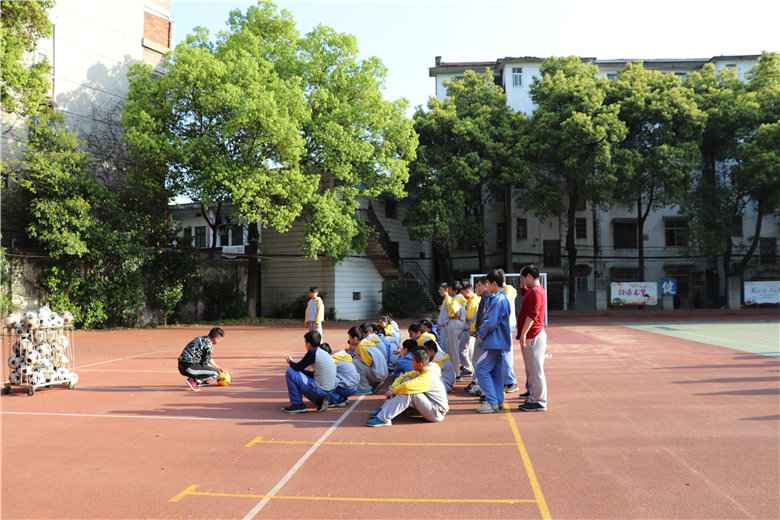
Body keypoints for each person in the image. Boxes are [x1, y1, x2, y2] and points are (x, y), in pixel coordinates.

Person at [366, 349, 449, 427]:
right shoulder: (427, 368)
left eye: (413, 361)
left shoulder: (428, 377)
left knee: (409, 392)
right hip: (430, 405)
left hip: (436, 412)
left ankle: (383, 419)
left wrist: (393, 391)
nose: (411, 363)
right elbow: (406, 375)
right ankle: (384, 409)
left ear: (420, 364)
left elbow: (407, 387)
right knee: (407, 380)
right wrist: (393, 387)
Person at [474, 269, 511, 413]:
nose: (486, 287)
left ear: (494, 283)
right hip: (498, 342)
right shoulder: (499, 298)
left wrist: (480, 334)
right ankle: (498, 400)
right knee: (495, 372)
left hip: (494, 341)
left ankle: (492, 401)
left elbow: (490, 322)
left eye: (488, 284)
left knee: (481, 369)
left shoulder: (498, 300)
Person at [517, 265, 548, 412]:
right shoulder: (533, 291)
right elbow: (525, 293)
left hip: (533, 334)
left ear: (529, 276)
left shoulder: (536, 292)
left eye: (524, 277)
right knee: (532, 369)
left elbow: (532, 315)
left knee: (536, 369)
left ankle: (539, 401)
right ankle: (534, 396)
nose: (523, 280)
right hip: (532, 334)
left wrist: (523, 333)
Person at [283, 331, 337, 413]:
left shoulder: (312, 352)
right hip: (330, 390)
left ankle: (297, 405)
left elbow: (298, 367)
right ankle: (320, 400)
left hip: (321, 390)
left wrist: (290, 361)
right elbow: (310, 372)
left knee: (290, 371)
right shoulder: (322, 352)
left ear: (308, 344)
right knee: (302, 375)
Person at [178, 327, 224, 391]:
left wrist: (217, 366)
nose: (219, 341)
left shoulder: (201, 338)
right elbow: (205, 362)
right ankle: (194, 381)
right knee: (216, 373)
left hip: (181, 366)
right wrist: (217, 369)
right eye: (219, 339)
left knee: (209, 369)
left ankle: (200, 380)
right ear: (216, 337)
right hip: (189, 367)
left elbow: (207, 358)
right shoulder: (208, 344)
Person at [348, 326, 388, 394]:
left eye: (349, 337)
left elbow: (368, 363)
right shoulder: (366, 342)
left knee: (355, 362)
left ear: (355, 338)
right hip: (383, 373)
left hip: (379, 375)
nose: (349, 340)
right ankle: (374, 383)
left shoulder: (361, 346)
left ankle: (365, 388)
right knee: (357, 360)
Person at [320, 343, 359, 407]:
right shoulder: (339, 357)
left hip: (348, 387)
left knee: (321, 384)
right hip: (354, 386)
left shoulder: (330, 361)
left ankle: (338, 400)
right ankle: (343, 397)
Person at [446, 281, 466, 378]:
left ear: (454, 290)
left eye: (449, 288)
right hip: (459, 324)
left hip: (456, 323)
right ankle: (457, 371)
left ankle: (456, 372)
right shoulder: (458, 297)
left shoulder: (457, 298)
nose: (448, 290)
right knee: (456, 349)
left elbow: (454, 312)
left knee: (454, 349)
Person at [502, 281, 520, 393]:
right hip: (505, 326)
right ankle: (507, 381)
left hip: (506, 326)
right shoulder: (506, 291)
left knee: (505, 355)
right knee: (503, 355)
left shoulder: (508, 290)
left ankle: (510, 382)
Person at [460, 282, 479, 377]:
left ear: (467, 291)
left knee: (465, 350)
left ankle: (469, 368)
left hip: (471, 330)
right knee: (469, 351)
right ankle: (469, 368)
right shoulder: (473, 299)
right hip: (472, 330)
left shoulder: (473, 301)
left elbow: (468, 316)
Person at [436, 282, 450, 353]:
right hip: (442, 327)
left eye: (441, 289)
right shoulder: (445, 300)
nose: (439, 291)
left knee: (445, 347)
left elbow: (450, 316)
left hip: (445, 328)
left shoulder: (448, 300)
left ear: (446, 289)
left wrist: (443, 323)